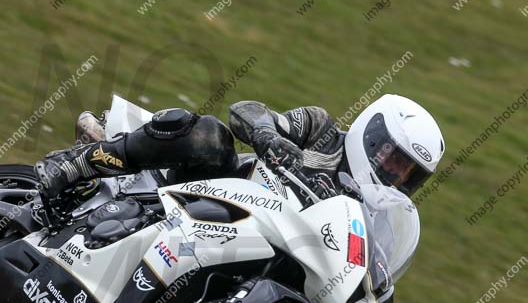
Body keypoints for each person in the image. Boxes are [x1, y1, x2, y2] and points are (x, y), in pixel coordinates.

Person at [35, 94, 445, 205]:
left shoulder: (377, 220)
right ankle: (78, 165)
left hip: (263, 249)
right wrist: (270, 138)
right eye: (393, 157)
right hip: (211, 194)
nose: (394, 172)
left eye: (407, 172)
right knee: (210, 136)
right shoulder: (321, 130)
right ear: (374, 135)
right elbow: (247, 111)